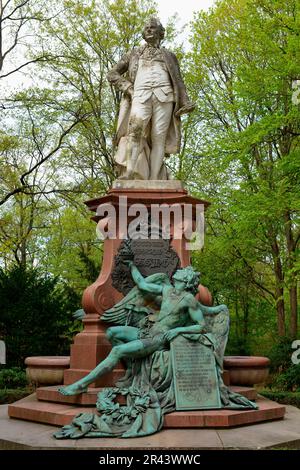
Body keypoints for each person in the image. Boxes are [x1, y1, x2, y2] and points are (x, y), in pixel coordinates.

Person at [59, 263, 210, 396]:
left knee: (117, 351)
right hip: (148, 330)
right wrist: (132, 266)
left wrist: (178, 331)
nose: (175, 278)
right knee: (111, 332)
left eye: (179, 278)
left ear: (186, 282)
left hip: (158, 339)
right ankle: (131, 369)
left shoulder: (190, 301)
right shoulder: (167, 290)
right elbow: (142, 284)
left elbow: (202, 326)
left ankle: (81, 385)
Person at [107, 17, 195, 180]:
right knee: (135, 133)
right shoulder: (134, 53)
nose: (149, 29)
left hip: (165, 97)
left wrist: (185, 101)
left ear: (161, 33)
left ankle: (155, 179)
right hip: (140, 95)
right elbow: (112, 74)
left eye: (153, 27)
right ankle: (131, 173)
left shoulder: (169, 55)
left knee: (158, 138)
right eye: (146, 27)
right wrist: (128, 88)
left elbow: (178, 80)